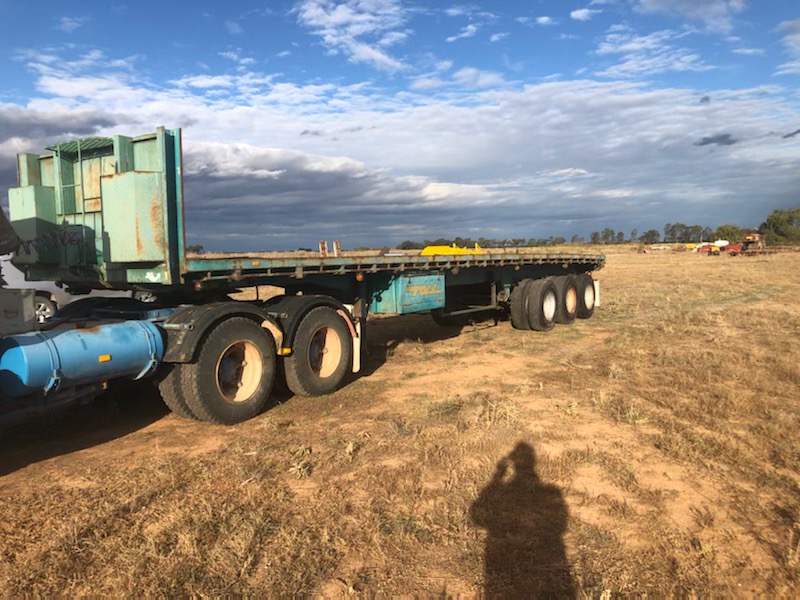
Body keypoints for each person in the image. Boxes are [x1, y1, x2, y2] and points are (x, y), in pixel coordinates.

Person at [470, 442, 574, 597]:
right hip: (540, 560)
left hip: (512, 561)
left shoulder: (506, 492)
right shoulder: (550, 493)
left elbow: (477, 516)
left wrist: (496, 478)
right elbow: (561, 524)